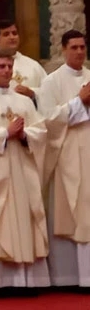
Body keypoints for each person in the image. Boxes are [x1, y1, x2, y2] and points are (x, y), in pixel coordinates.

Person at [0, 49, 51, 289]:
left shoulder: (23, 101)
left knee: (25, 220)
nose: (6, 71)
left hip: (21, 170)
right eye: (1, 66)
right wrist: (4, 134)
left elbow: (40, 131)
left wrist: (24, 135)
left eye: (9, 67)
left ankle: (25, 280)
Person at [38, 30, 90, 287]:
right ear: (64, 49)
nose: (80, 52)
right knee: (70, 212)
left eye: (83, 47)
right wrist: (78, 103)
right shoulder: (51, 82)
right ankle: (68, 277)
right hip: (66, 156)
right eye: (75, 47)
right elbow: (47, 120)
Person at [0, 20, 46, 95]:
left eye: (14, 33)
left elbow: (47, 92)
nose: (12, 37)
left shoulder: (33, 66)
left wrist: (32, 93)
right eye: (6, 34)